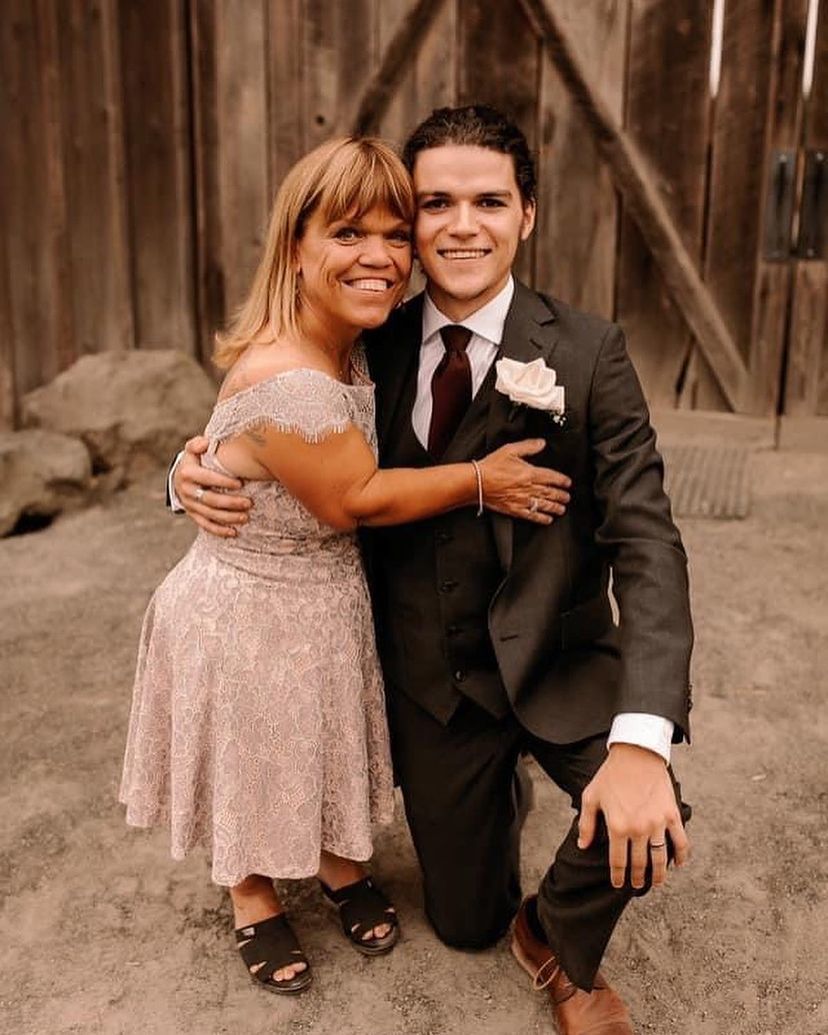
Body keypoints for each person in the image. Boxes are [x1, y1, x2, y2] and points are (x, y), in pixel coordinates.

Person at [173, 107, 692, 1033]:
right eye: (435, 203)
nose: (461, 226)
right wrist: (182, 475)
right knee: (463, 922)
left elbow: (648, 541)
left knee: (648, 811)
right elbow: (265, 414)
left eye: (488, 202)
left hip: (559, 660)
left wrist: (644, 741)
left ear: (527, 214)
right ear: (409, 221)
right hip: (431, 681)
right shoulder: (364, 330)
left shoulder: (589, 351)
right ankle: (491, 809)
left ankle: (556, 937)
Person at [121, 134, 569, 998]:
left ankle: (336, 861)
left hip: (322, 594)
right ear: (296, 245)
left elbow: (233, 441)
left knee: (315, 731)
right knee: (254, 746)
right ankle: (252, 892)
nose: (379, 256)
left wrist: (185, 467)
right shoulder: (291, 374)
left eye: (395, 235)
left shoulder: (353, 337)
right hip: (249, 603)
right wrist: (482, 479)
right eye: (348, 233)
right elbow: (353, 497)